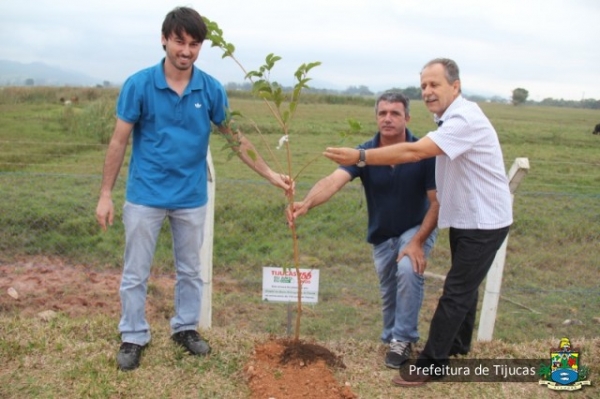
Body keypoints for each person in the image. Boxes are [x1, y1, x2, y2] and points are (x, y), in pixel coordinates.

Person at [95, 6, 291, 372]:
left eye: (194, 44)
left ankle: (185, 328)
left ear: (201, 47)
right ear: (164, 40)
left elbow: (235, 138)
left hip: (190, 197)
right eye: (179, 42)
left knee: (190, 270)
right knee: (136, 271)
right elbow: (119, 141)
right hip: (145, 195)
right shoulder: (138, 84)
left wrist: (270, 173)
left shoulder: (211, 89)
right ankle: (133, 335)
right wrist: (106, 194)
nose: (186, 51)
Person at [323, 58, 513, 387]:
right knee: (464, 286)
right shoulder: (449, 119)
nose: (427, 91)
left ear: (456, 86)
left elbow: (412, 153)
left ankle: (431, 363)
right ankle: (458, 345)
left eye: (435, 84)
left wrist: (361, 157)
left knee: (455, 291)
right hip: (468, 217)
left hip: (485, 220)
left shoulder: (462, 119)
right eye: (424, 85)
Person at [287, 90, 439, 369]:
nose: (388, 119)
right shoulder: (363, 153)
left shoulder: (423, 152)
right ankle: (391, 339)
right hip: (382, 235)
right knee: (389, 290)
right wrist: (306, 203)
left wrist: (418, 241)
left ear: (407, 117)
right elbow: (333, 180)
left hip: (416, 229)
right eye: (382, 113)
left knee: (407, 270)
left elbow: (436, 202)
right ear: (376, 117)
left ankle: (403, 340)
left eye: (395, 113)